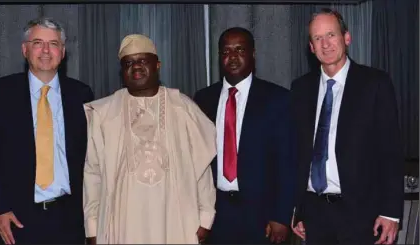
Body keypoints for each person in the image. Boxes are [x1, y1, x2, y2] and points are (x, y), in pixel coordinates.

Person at [83, 34, 217, 244]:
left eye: (143, 60)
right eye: (129, 62)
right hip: (122, 223)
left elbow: (202, 168)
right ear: (122, 70)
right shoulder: (104, 113)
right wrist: (92, 228)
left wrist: (205, 218)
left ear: (158, 65)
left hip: (176, 220)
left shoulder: (183, 107)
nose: (136, 66)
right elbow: (93, 174)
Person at [0, 17, 94, 244]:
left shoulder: (81, 94)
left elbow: (92, 157)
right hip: (16, 220)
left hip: (69, 220)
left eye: (54, 43)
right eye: (38, 43)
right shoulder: (2, 92)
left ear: (63, 51)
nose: (46, 50)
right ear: (25, 49)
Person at [290, 8, 404, 244]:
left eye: (331, 35)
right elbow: (298, 152)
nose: (325, 44)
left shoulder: (375, 84)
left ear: (347, 38)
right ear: (311, 47)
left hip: (361, 214)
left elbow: (390, 152)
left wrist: (390, 212)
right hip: (314, 214)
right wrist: (298, 209)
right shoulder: (301, 88)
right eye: (317, 38)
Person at [193, 27, 295, 244]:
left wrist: (281, 216)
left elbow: (287, 162)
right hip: (216, 213)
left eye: (240, 49)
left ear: (253, 54)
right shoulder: (203, 99)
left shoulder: (278, 99)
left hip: (262, 215)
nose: (232, 57)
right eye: (226, 51)